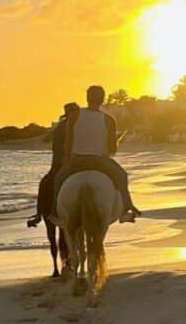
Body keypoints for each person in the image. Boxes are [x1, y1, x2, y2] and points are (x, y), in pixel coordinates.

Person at [56, 85, 140, 223]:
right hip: (101, 161)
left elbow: (68, 142)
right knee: (122, 177)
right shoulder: (109, 120)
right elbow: (112, 149)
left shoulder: (74, 116)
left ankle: (57, 214)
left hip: (77, 160)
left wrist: (67, 158)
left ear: (87, 98)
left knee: (58, 180)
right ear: (102, 100)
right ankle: (125, 211)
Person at [27, 102, 79, 228]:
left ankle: (39, 214)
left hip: (58, 164)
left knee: (45, 183)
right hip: (73, 162)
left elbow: (50, 141)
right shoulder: (77, 126)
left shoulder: (60, 127)